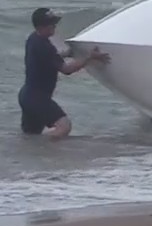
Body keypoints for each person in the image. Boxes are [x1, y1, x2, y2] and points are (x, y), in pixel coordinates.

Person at [19, 7, 109, 139]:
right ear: (41, 27)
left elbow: (48, 59)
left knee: (31, 137)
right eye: (51, 24)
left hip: (27, 96)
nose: (54, 26)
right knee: (64, 126)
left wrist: (67, 53)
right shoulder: (44, 46)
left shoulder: (34, 39)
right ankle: (42, 147)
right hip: (37, 98)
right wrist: (90, 58)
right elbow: (66, 70)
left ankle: (33, 150)